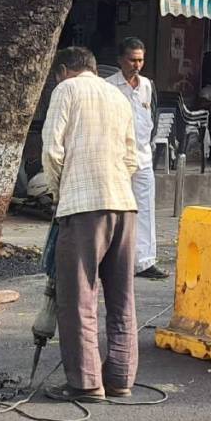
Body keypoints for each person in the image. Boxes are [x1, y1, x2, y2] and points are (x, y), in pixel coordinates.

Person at [41, 46, 139, 402]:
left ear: (64, 70)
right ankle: (120, 379)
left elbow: (52, 152)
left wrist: (58, 194)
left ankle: (85, 383)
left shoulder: (66, 90)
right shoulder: (118, 96)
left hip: (83, 207)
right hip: (124, 207)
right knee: (121, 297)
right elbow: (132, 156)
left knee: (78, 297)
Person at [106, 37, 170, 280]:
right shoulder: (108, 87)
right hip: (117, 156)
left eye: (140, 60)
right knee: (114, 209)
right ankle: (112, 259)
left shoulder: (146, 85)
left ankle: (144, 261)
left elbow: (149, 117)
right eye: (132, 60)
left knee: (144, 209)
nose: (136, 65)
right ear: (121, 60)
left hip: (142, 155)